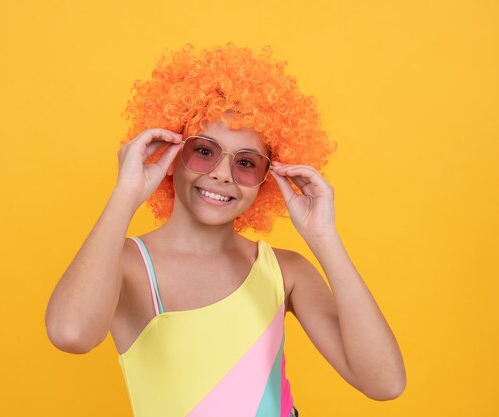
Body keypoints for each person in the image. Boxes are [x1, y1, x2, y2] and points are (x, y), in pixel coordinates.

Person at [44, 43, 406, 417]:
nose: (221, 173)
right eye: (203, 151)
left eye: (246, 162)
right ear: (168, 154)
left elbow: (385, 383)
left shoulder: (285, 271)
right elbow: (71, 334)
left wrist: (324, 238)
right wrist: (126, 193)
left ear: (267, 177)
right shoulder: (126, 265)